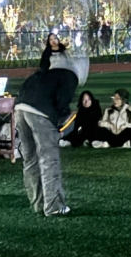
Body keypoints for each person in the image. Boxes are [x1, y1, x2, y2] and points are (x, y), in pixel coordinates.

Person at [15, 55, 89, 216]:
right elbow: (62, 103)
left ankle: (38, 204)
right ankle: (54, 206)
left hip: (20, 109)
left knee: (30, 160)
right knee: (49, 160)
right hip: (41, 113)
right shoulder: (68, 76)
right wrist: (61, 124)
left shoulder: (43, 73)